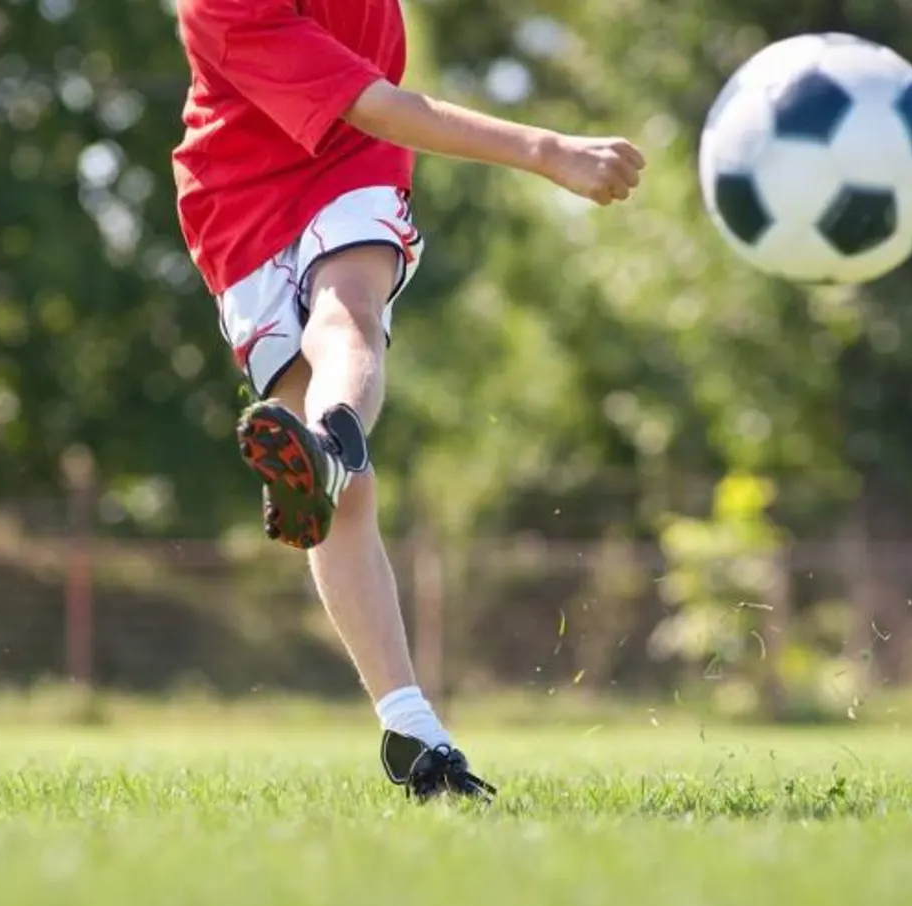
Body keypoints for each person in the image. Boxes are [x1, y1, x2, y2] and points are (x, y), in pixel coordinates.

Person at [170, 0, 645, 802]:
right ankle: (416, 735)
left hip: (353, 163)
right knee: (345, 497)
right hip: (240, 201)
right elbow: (371, 99)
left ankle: (328, 443)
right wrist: (548, 151)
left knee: (347, 308)